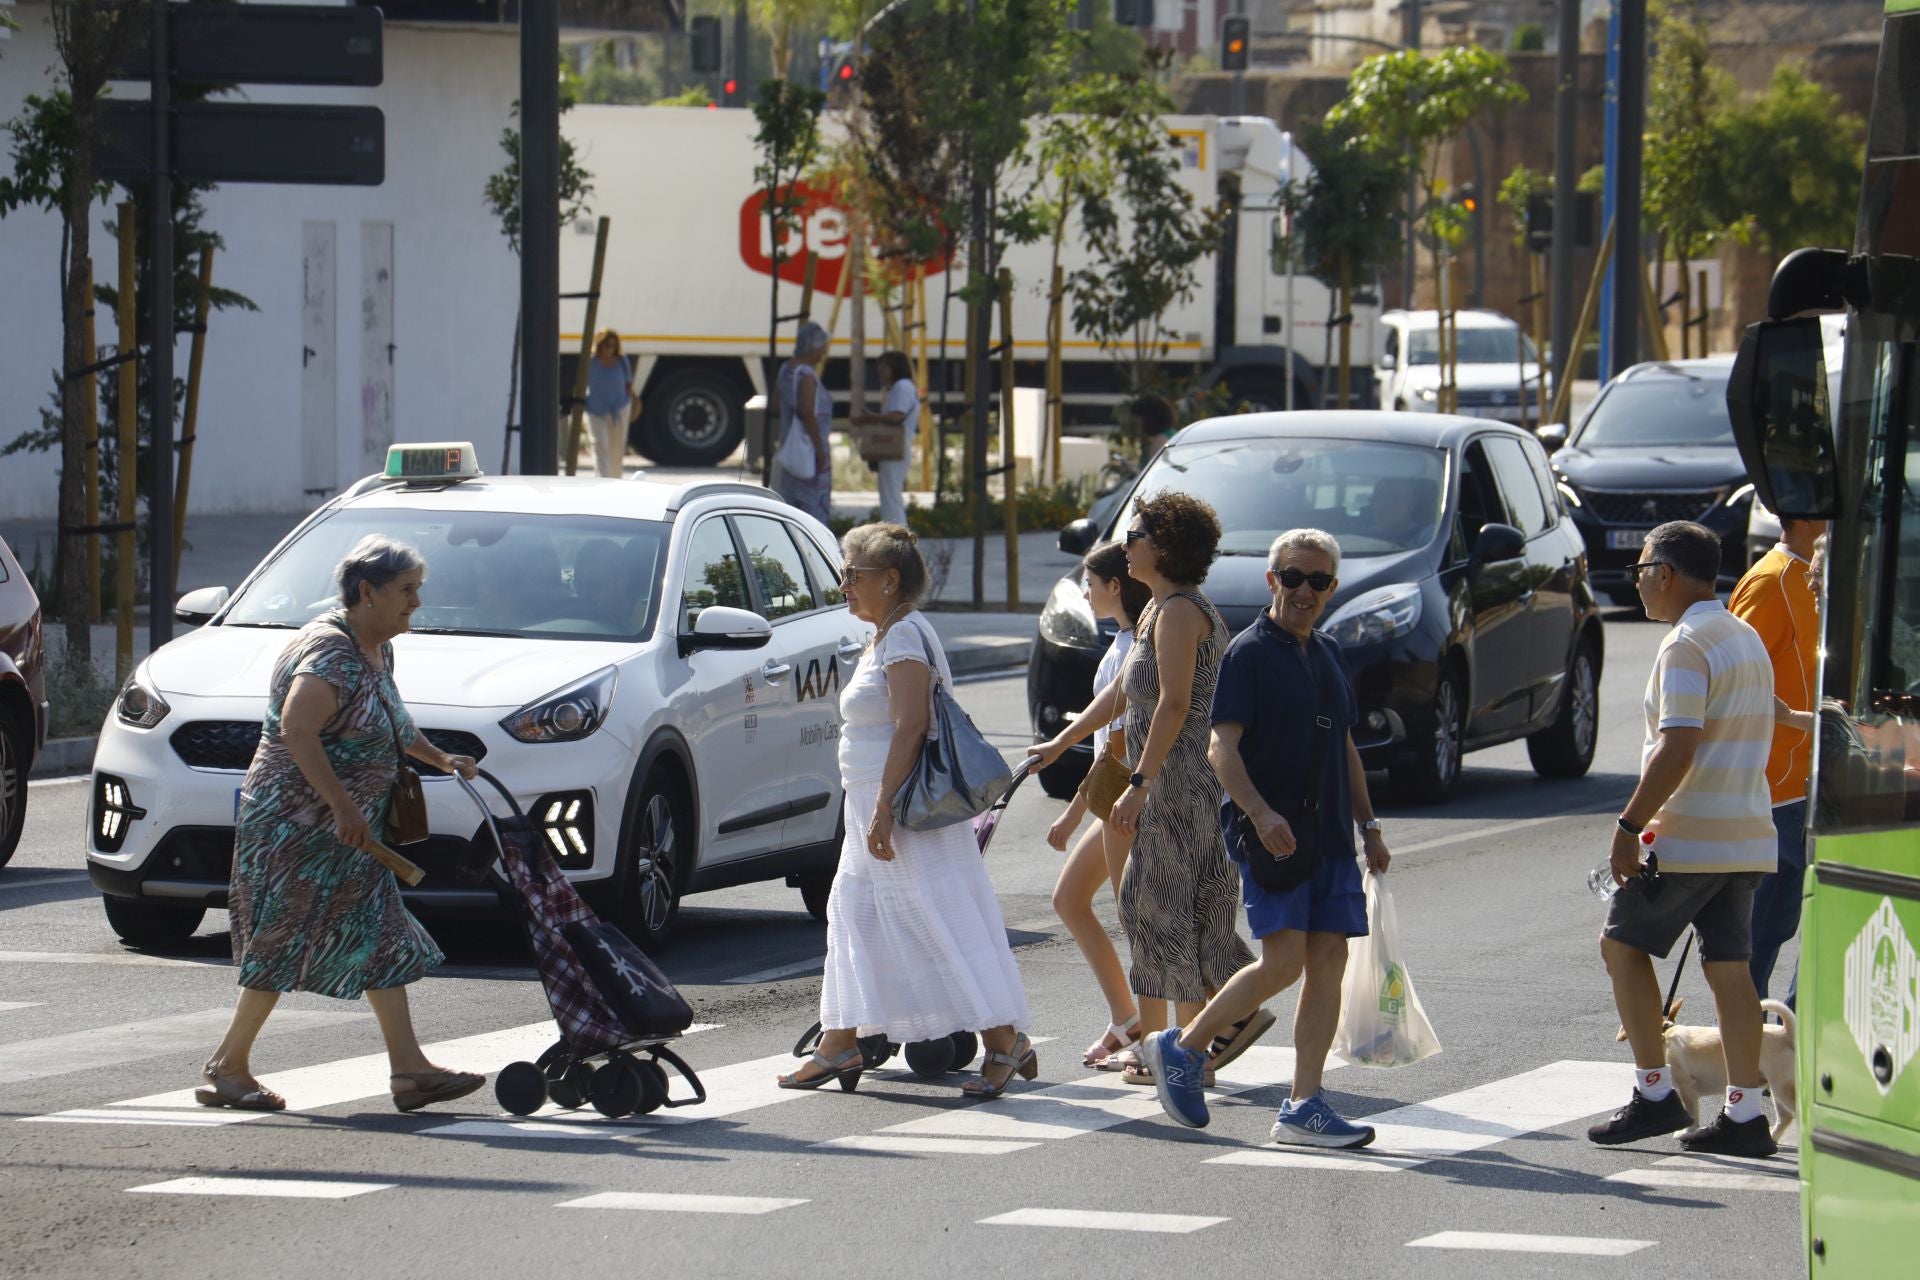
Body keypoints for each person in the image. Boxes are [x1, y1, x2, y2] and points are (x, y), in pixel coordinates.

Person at [200, 536, 484, 1114]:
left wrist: (441, 759)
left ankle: (409, 1070)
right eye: (406, 591)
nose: (416, 602)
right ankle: (228, 1067)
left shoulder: (375, 648)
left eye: (417, 590)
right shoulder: (330, 652)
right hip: (296, 826)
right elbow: (296, 727)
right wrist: (343, 807)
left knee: (379, 936)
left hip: (349, 834)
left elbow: (394, 724)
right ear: (366, 592)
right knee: (283, 936)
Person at [1138, 529, 1392, 1142]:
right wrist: (1258, 813)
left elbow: (1346, 746)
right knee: (1283, 962)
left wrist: (1370, 825)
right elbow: (1220, 746)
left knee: (1329, 960)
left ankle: (1304, 1102)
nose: (1306, 591)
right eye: (1295, 577)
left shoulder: (1328, 652)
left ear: (1331, 588)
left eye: (1320, 581)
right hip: (1274, 834)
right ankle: (1185, 1046)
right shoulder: (1249, 653)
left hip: (1329, 833)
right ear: (1272, 581)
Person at [777, 523, 1035, 1099]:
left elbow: (911, 725)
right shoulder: (890, 633)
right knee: (855, 913)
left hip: (896, 805)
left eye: (853, 574)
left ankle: (1003, 1038)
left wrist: (885, 809)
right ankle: (839, 1041)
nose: (843, 584)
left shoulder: (903, 639)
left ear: (889, 581)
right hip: (875, 801)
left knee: (931, 917)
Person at [1034, 493, 1269, 1084]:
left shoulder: (1182, 612)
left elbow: (1173, 703)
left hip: (1179, 792)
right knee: (1174, 920)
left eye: (1136, 533)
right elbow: (1123, 696)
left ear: (1162, 548)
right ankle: (1204, 1040)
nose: (1128, 541)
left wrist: (1139, 783)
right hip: (1170, 789)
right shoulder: (1158, 610)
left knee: (1164, 917)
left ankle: (1191, 1048)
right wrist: (1061, 745)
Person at [1590, 521, 1780, 1157]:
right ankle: (1746, 1113)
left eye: (1642, 570)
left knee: (1620, 946)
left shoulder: (1685, 644)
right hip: (1748, 833)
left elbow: (1678, 742)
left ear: (1665, 574)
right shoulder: (1742, 636)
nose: (1637, 582)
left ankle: (1653, 1092)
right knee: (1730, 970)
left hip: (1692, 835)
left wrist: (1627, 825)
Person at [1038, 541, 1152, 1068]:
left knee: (1140, 916)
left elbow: (1121, 746)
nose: (1084, 591)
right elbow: (1109, 737)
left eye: (1091, 582)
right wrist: (1076, 806)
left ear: (1114, 587)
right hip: (1113, 793)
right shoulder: (1123, 641)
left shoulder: (1137, 647)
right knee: (1069, 899)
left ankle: (1158, 1032)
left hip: (1127, 797)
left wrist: (1078, 807)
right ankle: (1127, 1017)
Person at [1729, 514, 1826, 1007]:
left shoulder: (1823, 575)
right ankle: (1750, 1058)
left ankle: (1783, 1042)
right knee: (1760, 940)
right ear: (1808, 517)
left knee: (1810, 927)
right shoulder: (1771, 581)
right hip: (1773, 791)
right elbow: (1734, 678)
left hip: (1816, 784)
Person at [773, 321, 834, 522]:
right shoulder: (806, 374)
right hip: (809, 456)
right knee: (812, 517)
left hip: (790, 453)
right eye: (821, 347)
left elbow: (775, 405)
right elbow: (806, 411)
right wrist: (819, 449)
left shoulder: (785, 369)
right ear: (812, 346)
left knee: (790, 515)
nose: (823, 353)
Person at [852, 350, 919, 526]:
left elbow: (896, 416)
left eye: (884, 367)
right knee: (890, 495)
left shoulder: (902, 387)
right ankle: (896, 533)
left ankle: (898, 535)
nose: (880, 371)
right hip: (897, 449)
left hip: (895, 449)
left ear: (894, 367)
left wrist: (870, 417)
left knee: (891, 497)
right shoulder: (904, 387)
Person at [584, 329, 635, 479]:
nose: (609, 349)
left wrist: (631, 403)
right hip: (595, 409)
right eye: (606, 345)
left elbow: (628, 384)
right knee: (599, 444)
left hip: (619, 409)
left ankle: (616, 478)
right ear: (599, 345)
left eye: (613, 346)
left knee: (616, 448)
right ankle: (602, 477)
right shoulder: (591, 362)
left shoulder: (622, 361)